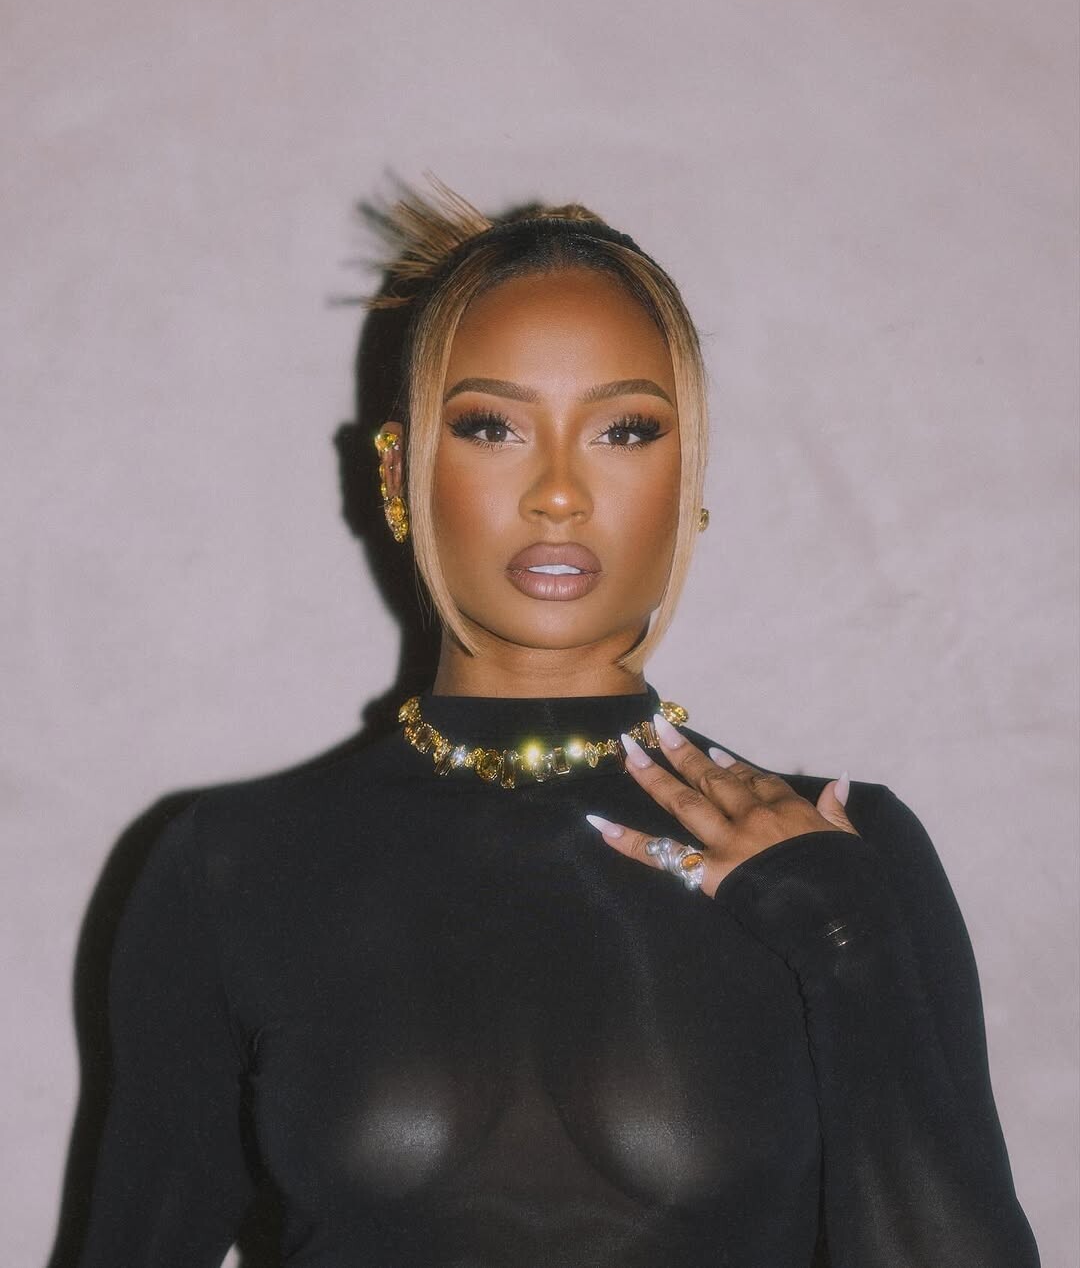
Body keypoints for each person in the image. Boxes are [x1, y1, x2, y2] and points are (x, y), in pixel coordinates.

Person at [72, 182, 1039, 1267]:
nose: (561, 493)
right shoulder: (229, 867)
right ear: (397, 470)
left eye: (625, 430)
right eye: (492, 426)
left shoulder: (845, 852)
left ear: (690, 475)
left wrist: (851, 943)